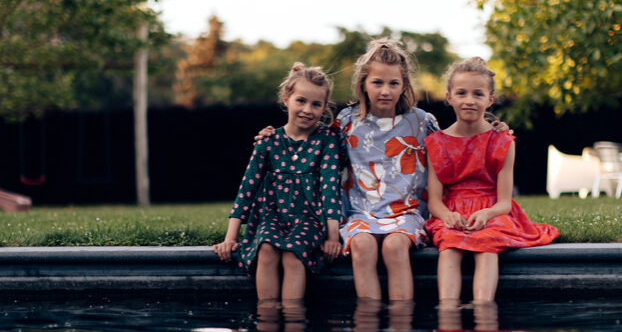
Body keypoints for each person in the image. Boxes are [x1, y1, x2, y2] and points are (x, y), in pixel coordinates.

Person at [425, 57, 558, 302]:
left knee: (487, 242)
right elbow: (434, 201)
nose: (469, 100)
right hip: (453, 210)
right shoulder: (437, 143)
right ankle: (447, 311)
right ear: (449, 97)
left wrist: (486, 214)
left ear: (490, 99)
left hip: (493, 211)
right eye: (461, 93)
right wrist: (447, 216)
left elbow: (505, 202)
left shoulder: (502, 141)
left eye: (478, 94)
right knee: (450, 244)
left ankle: (482, 309)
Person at [213, 63, 342, 300]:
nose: (307, 110)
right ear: (287, 99)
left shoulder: (326, 140)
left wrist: (333, 237)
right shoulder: (269, 141)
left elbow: (330, 188)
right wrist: (230, 238)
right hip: (272, 215)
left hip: (309, 218)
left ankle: (293, 325)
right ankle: (267, 322)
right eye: (301, 101)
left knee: (293, 255)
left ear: (324, 107)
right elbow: (247, 189)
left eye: (316, 104)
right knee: (266, 249)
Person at [335, 39, 440, 301]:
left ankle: (400, 328)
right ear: (363, 84)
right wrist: (272, 137)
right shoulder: (347, 122)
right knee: (362, 245)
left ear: (404, 85)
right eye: (377, 82)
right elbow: (316, 152)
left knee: (394, 247)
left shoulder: (421, 121)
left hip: (407, 211)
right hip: (361, 211)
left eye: (393, 83)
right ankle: (368, 328)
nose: (385, 91)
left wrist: (493, 130)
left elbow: (454, 145)